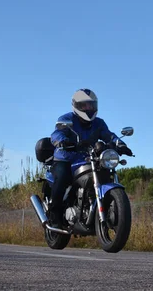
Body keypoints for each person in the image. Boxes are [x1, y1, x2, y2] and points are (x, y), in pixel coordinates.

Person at [48, 88, 132, 227]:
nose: (89, 108)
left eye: (91, 105)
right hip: (66, 159)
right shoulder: (67, 119)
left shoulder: (99, 123)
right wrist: (63, 142)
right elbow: (56, 134)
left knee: (105, 172)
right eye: (85, 105)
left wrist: (120, 144)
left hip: (87, 158)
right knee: (62, 176)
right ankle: (54, 214)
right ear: (77, 106)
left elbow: (109, 135)